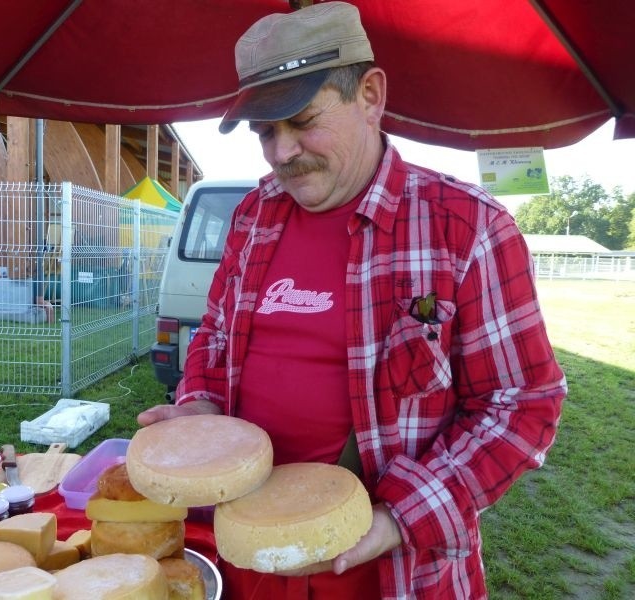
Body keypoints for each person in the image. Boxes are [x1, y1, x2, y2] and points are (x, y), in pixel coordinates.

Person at [138, 3, 566, 599]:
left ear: (370, 95)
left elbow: (523, 405)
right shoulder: (253, 214)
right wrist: (203, 412)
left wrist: (397, 519)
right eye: (266, 131)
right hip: (248, 562)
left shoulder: (466, 227)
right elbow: (215, 335)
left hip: (394, 571)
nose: (282, 153)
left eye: (303, 121)